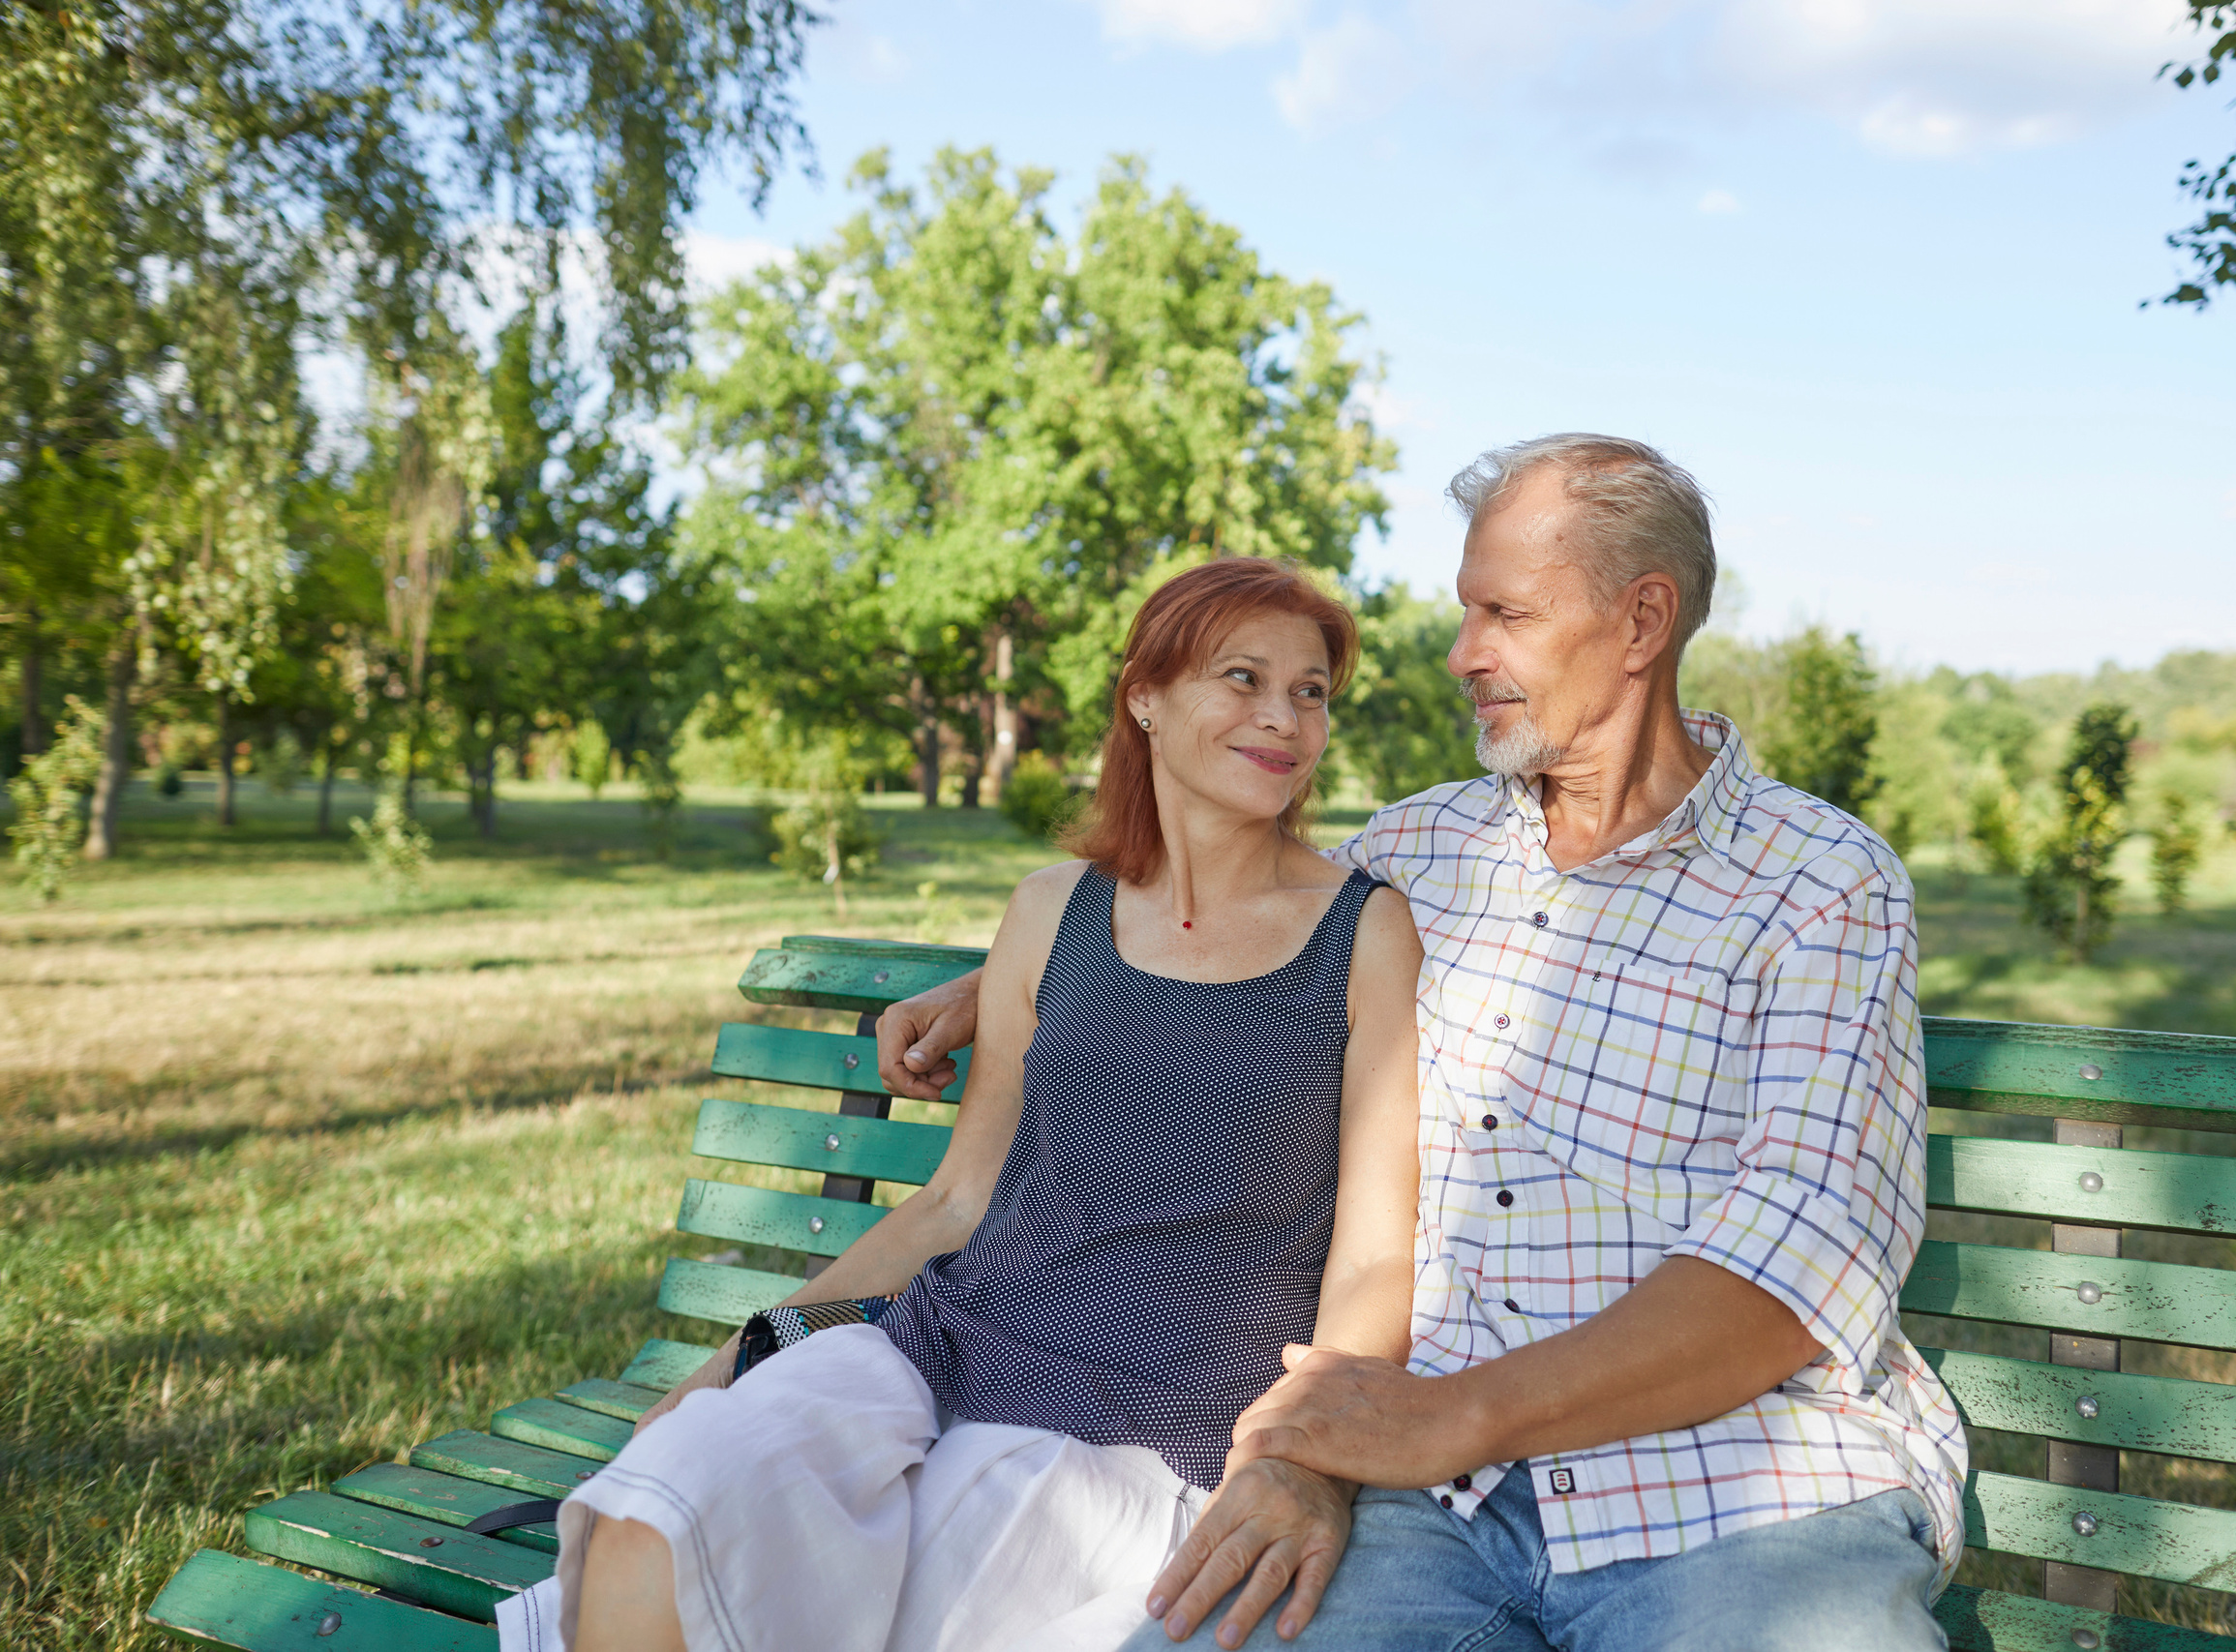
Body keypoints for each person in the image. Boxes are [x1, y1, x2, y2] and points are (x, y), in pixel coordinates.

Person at [877, 435, 1970, 1652]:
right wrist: (999, 983)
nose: (1462, 657)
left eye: (1503, 613)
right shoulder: (1420, 850)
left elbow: (1802, 1265)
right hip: (1422, 1509)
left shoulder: (1818, 885)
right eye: (1465, 613)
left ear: (1642, 621)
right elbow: (1222, 925)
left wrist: (1450, 1417)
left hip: (1737, 1496)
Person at [498, 557, 1424, 1652]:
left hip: (1139, 1430)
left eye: (1310, 691)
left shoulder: (1363, 934)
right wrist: (732, 1361)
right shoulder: (1051, 909)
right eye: (1243, 678)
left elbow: (1373, 1264)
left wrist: (1296, 1459)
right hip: (938, 1354)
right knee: (654, 1517)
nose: (1283, 717)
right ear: (1146, 698)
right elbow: (954, 1202)